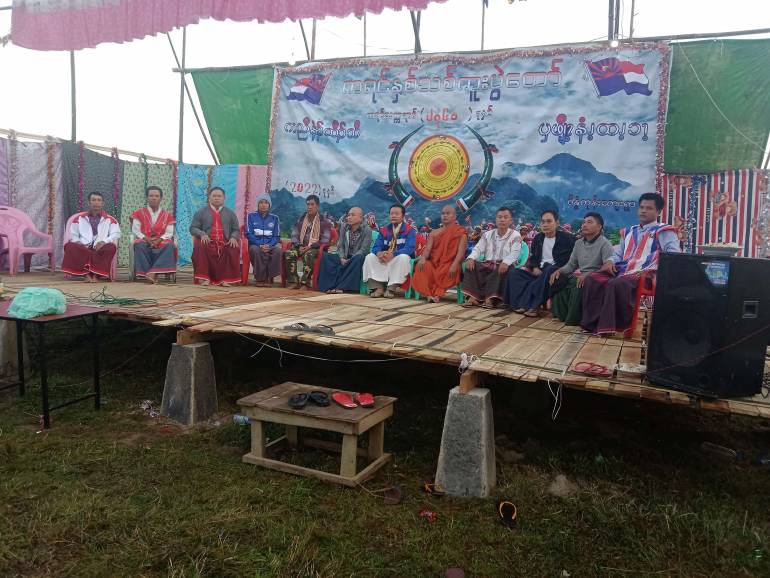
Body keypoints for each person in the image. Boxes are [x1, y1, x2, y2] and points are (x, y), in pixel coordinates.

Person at [581, 193, 681, 335]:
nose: (643, 211)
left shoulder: (664, 231)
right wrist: (610, 261)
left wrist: (654, 270)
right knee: (593, 279)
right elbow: (618, 254)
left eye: (649, 208)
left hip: (645, 274)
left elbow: (673, 256)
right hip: (622, 270)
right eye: (641, 207)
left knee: (616, 284)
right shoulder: (628, 231)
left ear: (658, 212)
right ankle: (592, 325)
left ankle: (610, 327)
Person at [504, 210, 575, 317]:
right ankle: (519, 304)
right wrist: (535, 267)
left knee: (550, 269)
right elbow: (533, 259)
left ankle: (532, 306)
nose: (545, 224)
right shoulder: (538, 238)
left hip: (557, 275)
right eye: (543, 222)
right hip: (539, 273)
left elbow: (572, 260)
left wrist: (557, 269)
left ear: (557, 223)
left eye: (549, 221)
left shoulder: (568, 239)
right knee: (515, 273)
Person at [549, 212, 614, 326]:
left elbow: (606, 268)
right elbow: (571, 265)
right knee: (558, 280)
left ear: (599, 227)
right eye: (584, 222)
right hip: (581, 277)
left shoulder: (605, 244)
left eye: (589, 222)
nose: (584, 225)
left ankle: (574, 319)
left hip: (596, 278)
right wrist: (559, 271)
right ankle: (563, 314)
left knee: (579, 284)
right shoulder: (578, 243)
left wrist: (588, 275)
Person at [462, 207, 522, 308]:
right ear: (496, 219)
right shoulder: (487, 234)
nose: (502, 219)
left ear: (511, 221)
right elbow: (478, 248)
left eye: (505, 217)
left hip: (504, 265)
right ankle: (473, 298)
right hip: (488, 263)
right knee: (472, 265)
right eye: (499, 217)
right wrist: (471, 258)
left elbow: (515, 253)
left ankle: (490, 299)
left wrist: (506, 262)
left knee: (500, 268)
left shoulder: (516, 235)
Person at [411, 205, 468, 303]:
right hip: (435, 263)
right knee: (423, 266)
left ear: (454, 216)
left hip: (450, 263)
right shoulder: (434, 233)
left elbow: (461, 253)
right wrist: (423, 258)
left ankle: (437, 294)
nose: (445, 216)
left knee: (448, 269)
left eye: (448, 213)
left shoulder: (460, 232)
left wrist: (454, 265)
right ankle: (428, 294)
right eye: (443, 213)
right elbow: (427, 250)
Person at [62, 192, 121, 282]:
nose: (96, 202)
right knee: (69, 246)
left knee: (111, 247)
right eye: (93, 200)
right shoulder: (79, 218)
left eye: (99, 200)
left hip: (99, 247)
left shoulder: (110, 219)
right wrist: (77, 241)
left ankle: (96, 276)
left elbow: (116, 234)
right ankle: (86, 275)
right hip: (83, 247)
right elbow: (73, 234)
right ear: (89, 203)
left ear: (103, 203)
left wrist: (104, 242)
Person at [190, 187, 241, 286]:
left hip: (225, 242)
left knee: (233, 248)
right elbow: (193, 228)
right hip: (208, 242)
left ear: (224, 198)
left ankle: (225, 279)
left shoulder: (230, 213)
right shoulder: (200, 212)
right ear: (209, 198)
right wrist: (202, 234)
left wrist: (233, 237)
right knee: (201, 246)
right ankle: (205, 278)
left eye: (219, 196)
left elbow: (236, 230)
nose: (217, 198)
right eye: (214, 196)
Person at [363, 204, 416, 298]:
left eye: (396, 214)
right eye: (391, 213)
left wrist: (393, 254)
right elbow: (376, 246)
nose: (393, 216)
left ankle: (391, 288)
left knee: (403, 257)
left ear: (403, 216)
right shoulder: (384, 230)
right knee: (370, 257)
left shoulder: (409, 230)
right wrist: (379, 253)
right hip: (385, 257)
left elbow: (409, 248)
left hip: (397, 258)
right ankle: (378, 287)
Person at [318, 207, 373, 294]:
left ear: (361, 218)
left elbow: (364, 249)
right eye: (348, 215)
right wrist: (342, 257)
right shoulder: (344, 227)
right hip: (344, 256)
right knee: (326, 256)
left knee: (359, 258)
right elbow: (340, 246)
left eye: (352, 215)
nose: (349, 217)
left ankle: (343, 287)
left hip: (356, 258)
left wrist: (350, 260)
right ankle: (328, 286)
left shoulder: (367, 230)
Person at [284, 194, 333, 290]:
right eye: (308, 204)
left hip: (315, 249)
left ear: (318, 206)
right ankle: (293, 281)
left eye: (312, 204)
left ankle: (305, 283)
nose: (309, 207)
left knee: (309, 254)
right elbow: (294, 235)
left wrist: (310, 246)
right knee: (289, 253)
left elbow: (325, 240)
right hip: (301, 247)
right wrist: (299, 245)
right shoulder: (301, 220)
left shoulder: (325, 222)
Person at [130, 185, 176, 284]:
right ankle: (147, 272)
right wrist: (146, 239)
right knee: (139, 244)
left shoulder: (167, 215)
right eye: (151, 196)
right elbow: (136, 230)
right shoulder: (139, 213)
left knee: (169, 245)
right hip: (144, 239)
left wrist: (159, 239)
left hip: (160, 240)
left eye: (156, 196)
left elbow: (169, 232)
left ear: (161, 198)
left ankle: (152, 273)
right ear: (147, 197)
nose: (154, 198)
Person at [245, 192, 282, 286]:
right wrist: (259, 244)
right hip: (256, 244)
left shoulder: (275, 218)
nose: (263, 205)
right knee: (255, 250)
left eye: (266, 203)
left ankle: (269, 277)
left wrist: (269, 245)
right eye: (261, 202)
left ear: (269, 205)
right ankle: (260, 278)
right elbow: (248, 233)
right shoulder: (251, 216)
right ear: (258, 204)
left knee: (278, 250)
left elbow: (276, 236)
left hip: (270, 244)